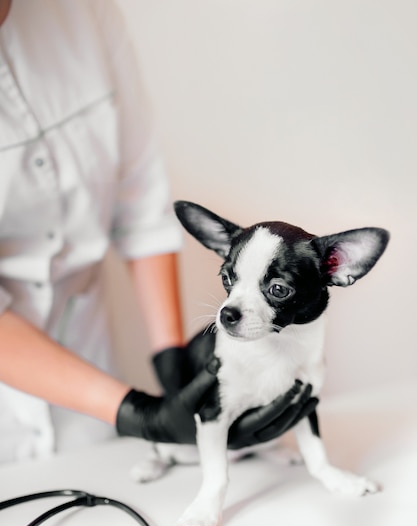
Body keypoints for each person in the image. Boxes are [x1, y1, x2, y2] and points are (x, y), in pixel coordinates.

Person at [0, 0, 317, 464]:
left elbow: (142, 204)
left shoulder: (82, 12)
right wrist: (140, 414)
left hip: (86, 360)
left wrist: (172, 363)